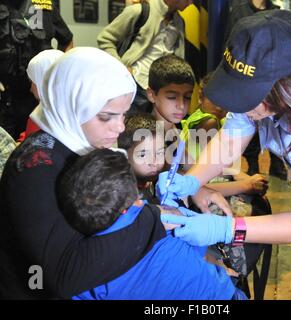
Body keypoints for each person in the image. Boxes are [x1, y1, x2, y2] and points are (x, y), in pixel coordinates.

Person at [158, 10, 291, 300]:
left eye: (248, 99)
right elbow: (231, 141)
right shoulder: (260, 66)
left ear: (287, 89)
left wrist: (226, 229)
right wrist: (191, 182)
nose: (240, 108)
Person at [0, 47, 168, 299]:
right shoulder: (34, 169)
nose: (120, 126)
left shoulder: (75, 144)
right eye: (105, 117)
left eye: (122, 114)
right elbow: (68, 274)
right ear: (71, 104)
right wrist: (153, 219)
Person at [58, 148, 243, 300]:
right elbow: (198, 249)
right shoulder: (163, 222)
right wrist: (177, 207)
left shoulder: (82, 272)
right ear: (136, 201)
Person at [224, 0, 287, 179]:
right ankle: (252, 162)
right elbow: (230, 44)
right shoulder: (239, 9)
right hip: (245, 80)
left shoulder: (278, 12)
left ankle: (276, 162)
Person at [97, 0, 193, 112]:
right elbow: (105, 38)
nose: (190, 3)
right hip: (134, 84)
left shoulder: (179, 22)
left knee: (153, 128)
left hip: (161, 88)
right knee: (128, 126)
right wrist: (121, 68)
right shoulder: (139, 11)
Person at [0, 0, 73, 139]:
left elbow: (67, 40)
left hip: (39, 95)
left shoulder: (44, 5)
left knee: (39, 142)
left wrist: (60, 74)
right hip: (5, 95)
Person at [17, 49, 64, 142]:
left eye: (32, 82)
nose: (30, 89)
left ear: (43, 81)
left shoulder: (52, 117)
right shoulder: (47, 108)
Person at [118, 112, 165, 203]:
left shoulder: (151, 182)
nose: (154, 162)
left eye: (160, 153)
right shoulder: (123, 197)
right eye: (143, 155)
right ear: (124, 154)